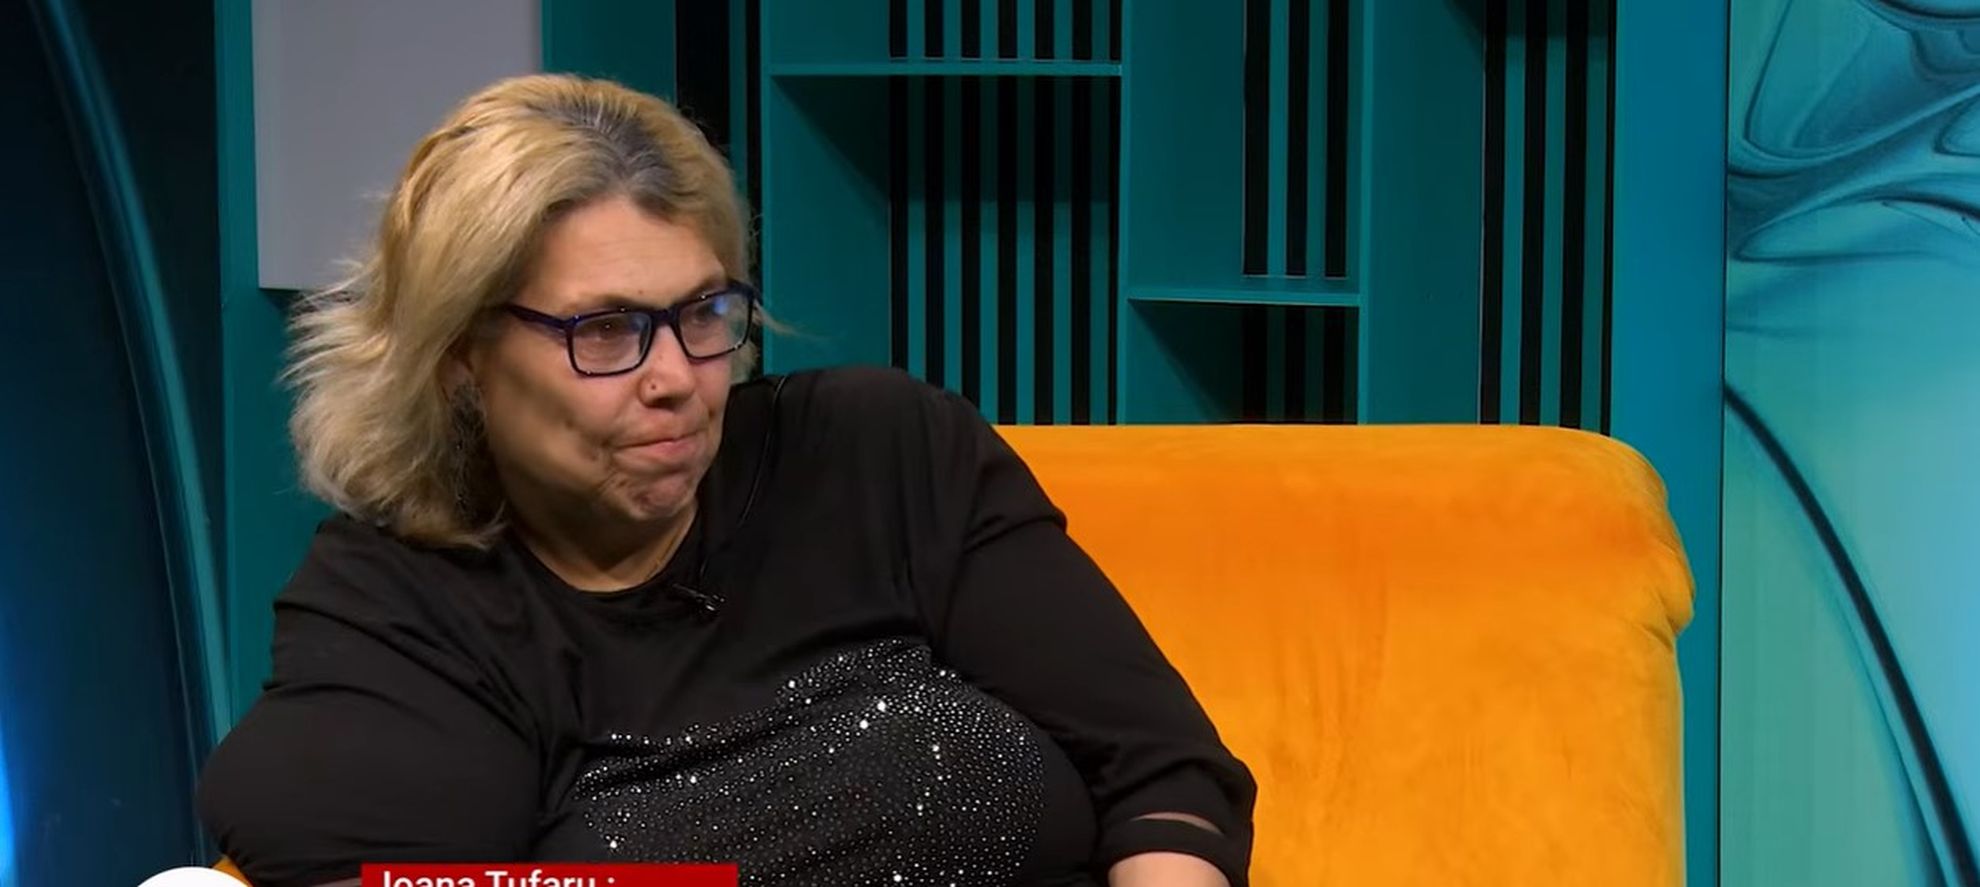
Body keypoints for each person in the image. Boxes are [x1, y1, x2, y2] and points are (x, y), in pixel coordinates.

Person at [196, 73, 1255, 887]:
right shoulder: (403, 604)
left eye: (703, 313)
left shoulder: (880, 453)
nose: (676, 379)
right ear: (462, 357)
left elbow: (1164, 775)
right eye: (605, 329)